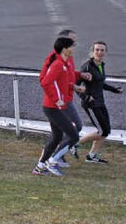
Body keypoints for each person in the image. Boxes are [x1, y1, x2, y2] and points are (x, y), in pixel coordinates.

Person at [39, 29, 90, 167]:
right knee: (73, 130)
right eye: (72, 42)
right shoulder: (54, 59)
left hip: (65, 98)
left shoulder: (67, 58)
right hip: (59, 102)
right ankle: (52, 158)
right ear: (64, 44)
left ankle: (50, 159)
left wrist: (79, 77)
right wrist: (57, 97)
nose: (75, 44)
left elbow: (66, 75)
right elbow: (46, 80)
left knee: (61, 133)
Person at [33, 37, 80, 176]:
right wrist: (57, 99)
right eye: (72, 46)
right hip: (53, 107)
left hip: (53, 106)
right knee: (73, 135)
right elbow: (46, 82)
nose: (73, 49)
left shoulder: (63, 64)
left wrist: (73, 87)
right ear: (65, 49)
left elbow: (60, 83)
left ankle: (40, 166)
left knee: (57, 136)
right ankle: (52, 162)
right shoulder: (59, 64)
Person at [74, 41, 122, 164]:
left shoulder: (101, 65)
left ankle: (91, 156)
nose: (99, 52)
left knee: (106, 130)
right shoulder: (87, 66)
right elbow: (75, 86)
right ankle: (75, 144)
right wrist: (85, 97)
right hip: (91, 104)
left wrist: (115, 90)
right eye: (97, 50)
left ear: (106, 52)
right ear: (93, 51)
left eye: (102, 50)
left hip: (100, 102)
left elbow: (100, 83)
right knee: (102, 131)